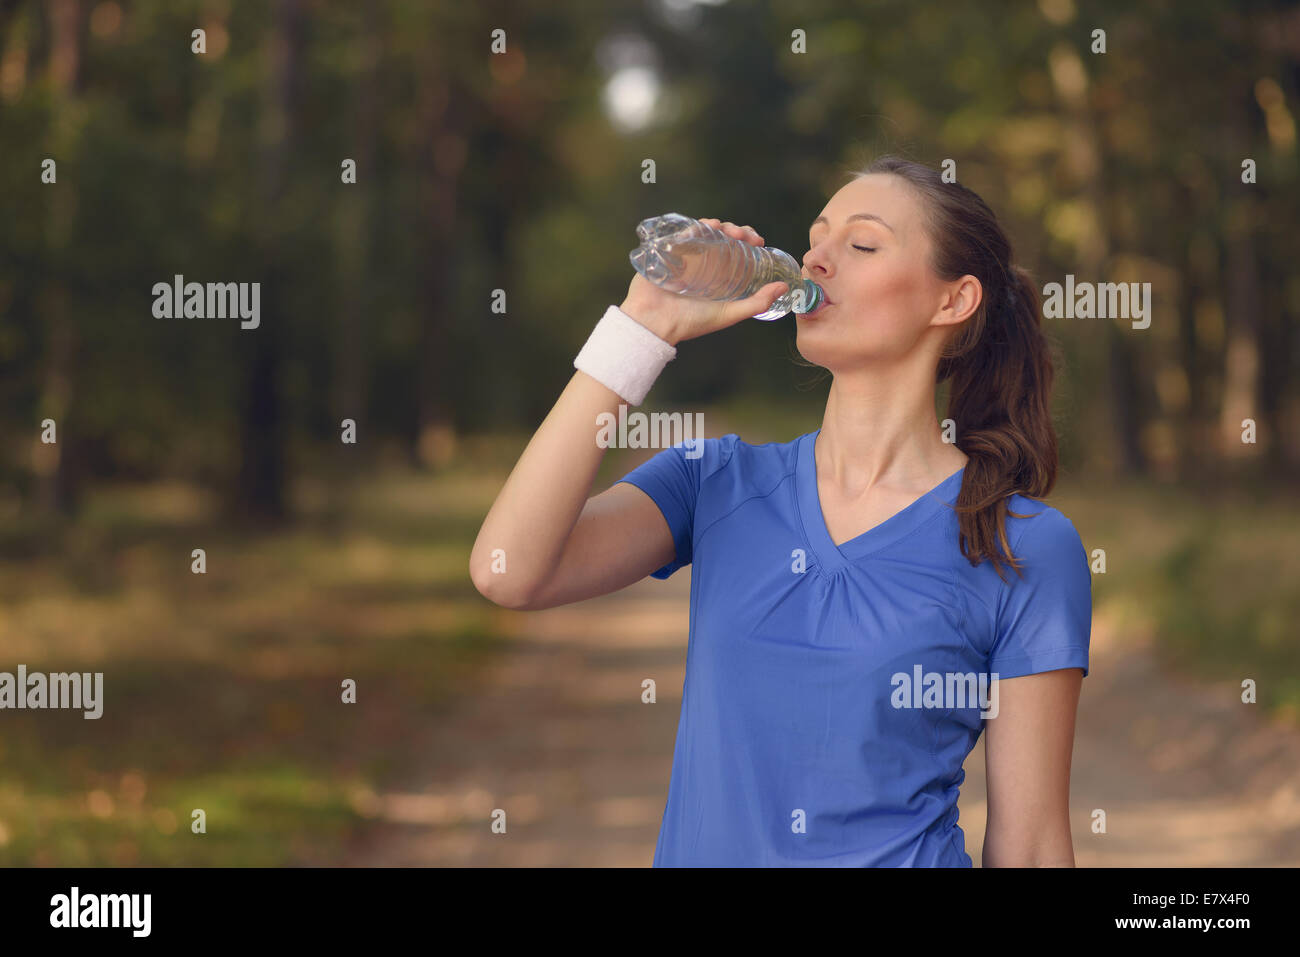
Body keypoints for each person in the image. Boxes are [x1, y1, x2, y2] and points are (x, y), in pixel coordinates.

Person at [470, 155, 1092, 867]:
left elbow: (1033, 844)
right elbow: (507, 571)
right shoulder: (716, 481)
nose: (817, 259)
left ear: (952, 301)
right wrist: (643, 325)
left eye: (860, 245)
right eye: (816, 239)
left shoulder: (1023, 545)